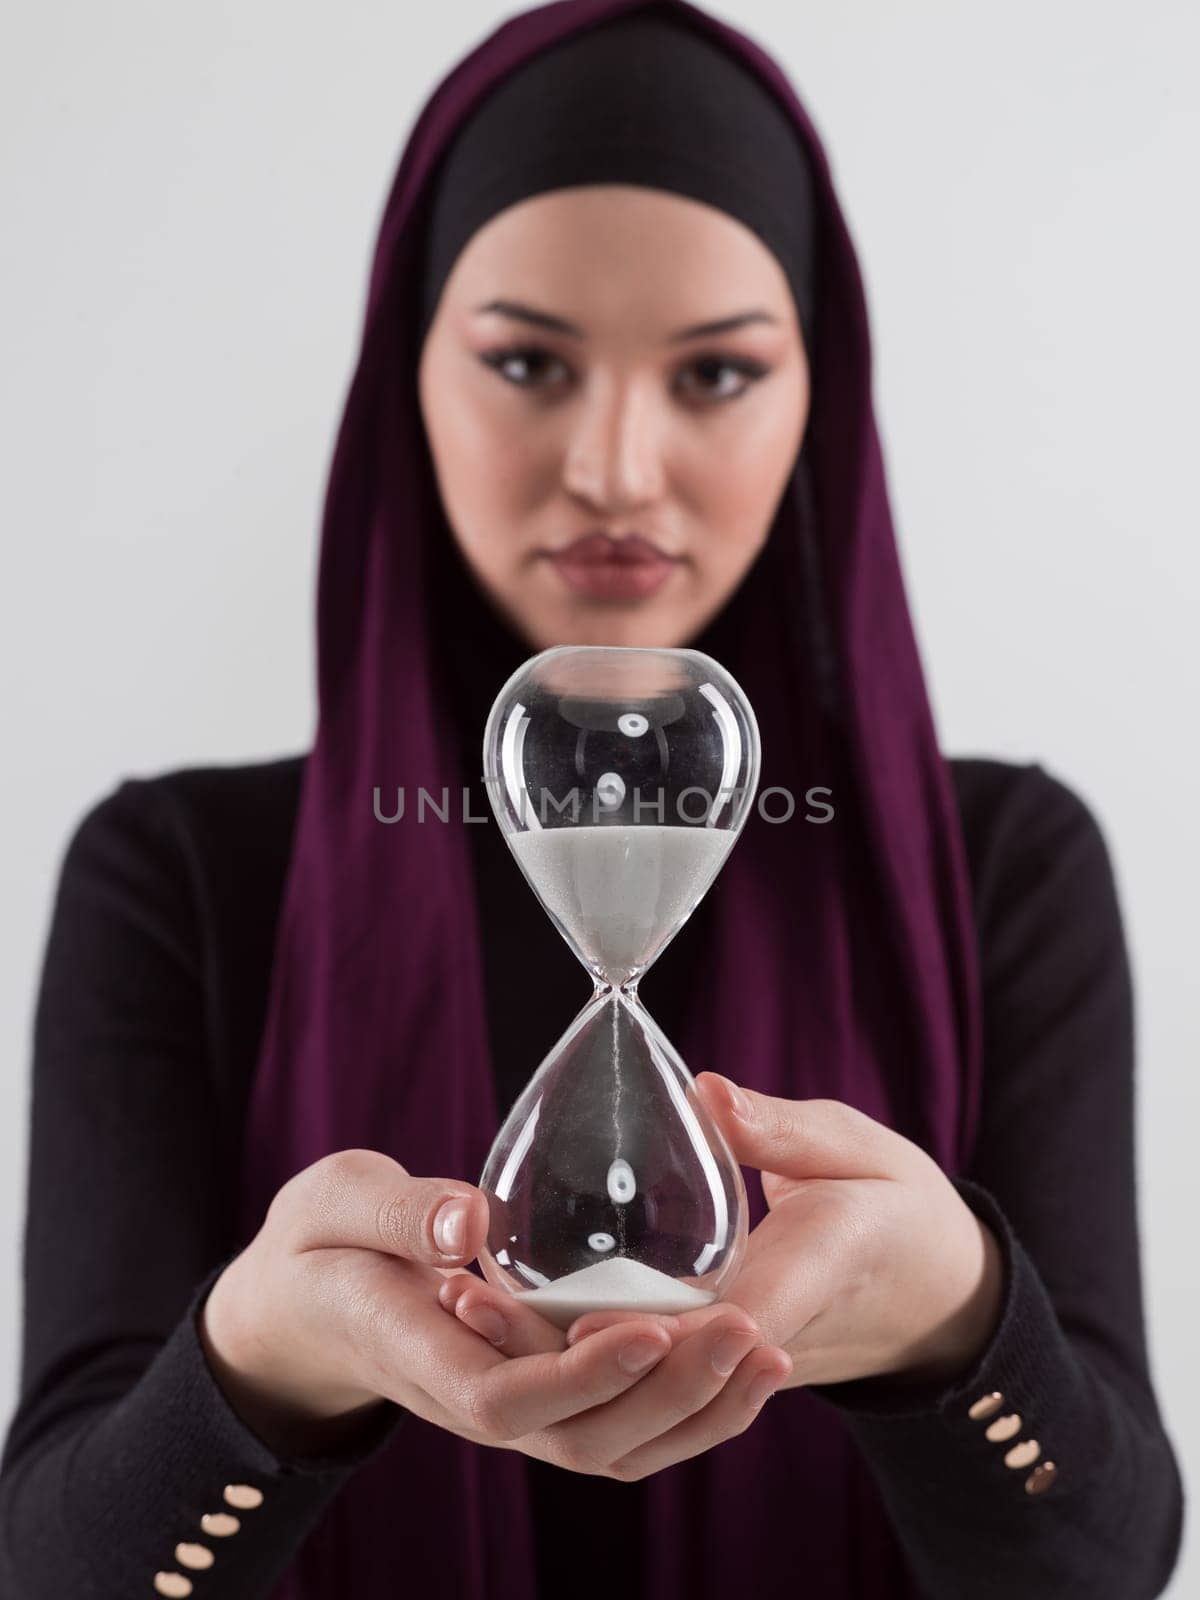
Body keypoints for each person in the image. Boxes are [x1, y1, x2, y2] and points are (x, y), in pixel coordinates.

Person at [0, 2, 1185, 1598]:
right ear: (403, 375)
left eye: (715, 373)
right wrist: (262, 1364)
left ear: (814, 399)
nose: (618, 466)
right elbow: (51, 1560)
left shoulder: (1000, 866)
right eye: (526, 360)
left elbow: (1109, 1565)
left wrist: (956, 1322)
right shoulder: (180, 873)